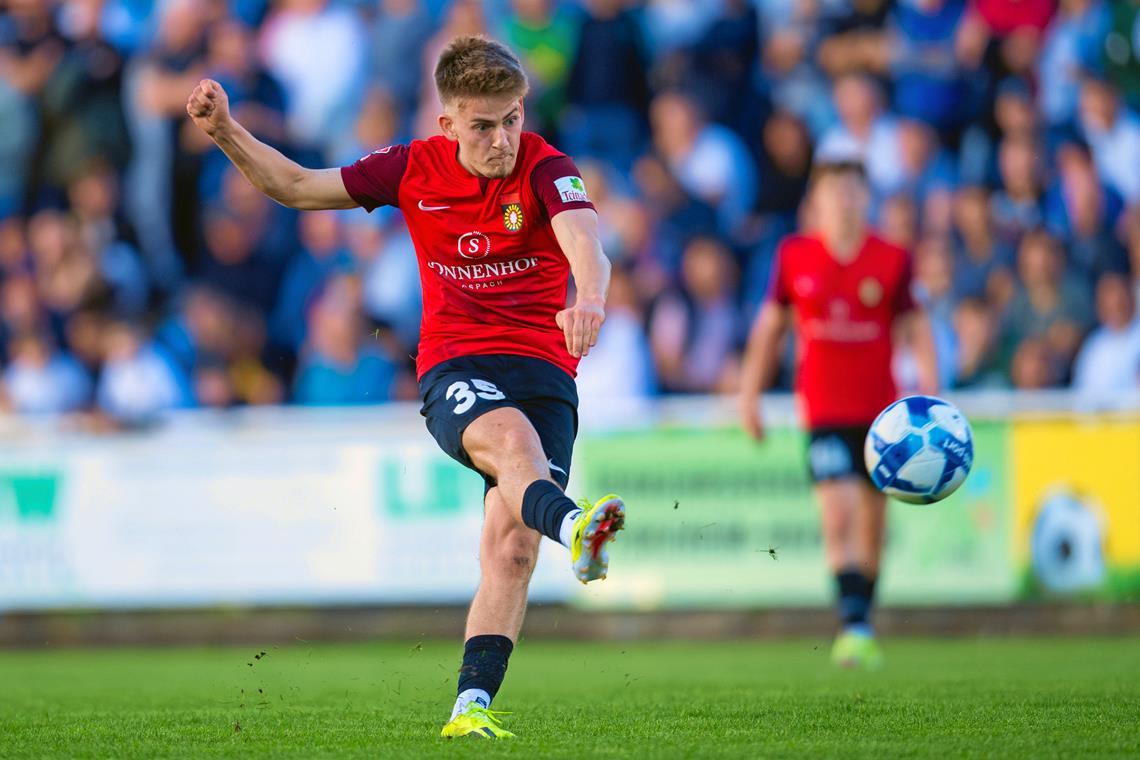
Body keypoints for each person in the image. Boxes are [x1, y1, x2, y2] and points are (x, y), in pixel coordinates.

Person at [186, 35, 624, 739]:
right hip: (458, 365)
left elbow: (585, 240)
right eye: (483, 125)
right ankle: (577, 524)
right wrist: (227, 131)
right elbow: (296, 187)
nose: (503, 139)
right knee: (512, 443)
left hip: (545, 371)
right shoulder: (410, 169)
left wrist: (591, 299)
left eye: (512, 118)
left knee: (511, 547)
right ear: (447, 123)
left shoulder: (547, 165)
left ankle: (469, 711)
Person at [737, 140, 938, 670]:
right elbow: (769, 329)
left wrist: (933, 396)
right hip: (823, 411)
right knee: (839, 512)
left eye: (853, 190)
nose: (845, 201)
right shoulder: (795, 256)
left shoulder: (892, 259)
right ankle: (852, 624)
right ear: (817, 200)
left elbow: (917, 328)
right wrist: (749, 395)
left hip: (884, 418)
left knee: (873, 525)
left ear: (866, 197)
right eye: (834, 191)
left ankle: (862, 619)